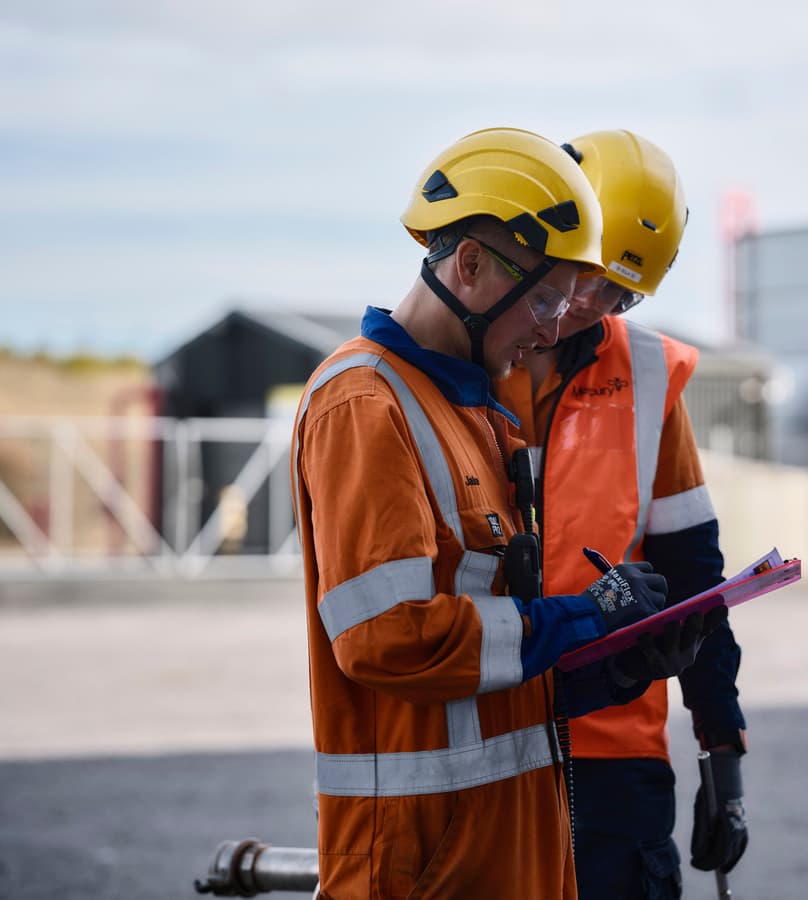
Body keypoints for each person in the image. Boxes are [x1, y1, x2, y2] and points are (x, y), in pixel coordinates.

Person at [289, 127, 673, 899]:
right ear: (468, 266)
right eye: (544, 298)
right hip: (421, 860)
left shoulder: (476, 414)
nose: (550, 328)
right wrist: (578, 617)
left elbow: (487, 658)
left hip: (506, 851)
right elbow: (389, 638)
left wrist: (605, 663)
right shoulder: (366, 404)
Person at [493, 130, 749, 900]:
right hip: (485, 743)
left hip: (617, 755)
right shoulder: (454, 364)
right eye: (589, 278)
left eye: (622, 294)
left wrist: (722, 757)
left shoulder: (646, 375)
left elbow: (695, 583)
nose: (590, 308)